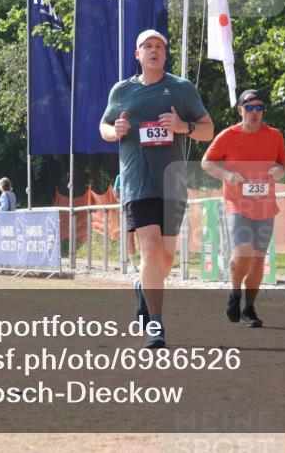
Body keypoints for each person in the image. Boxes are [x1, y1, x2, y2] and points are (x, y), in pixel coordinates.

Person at [100, 29, 213, 348]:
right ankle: (156, 325)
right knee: (149, 249)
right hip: (137, 182)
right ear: (137, 54)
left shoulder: (181, 89)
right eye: (147, 46)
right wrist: (115, 130)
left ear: (165, 54)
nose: (153, 50)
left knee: (165, 259)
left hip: (172, 184)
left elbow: (208, 130)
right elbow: (104, 126)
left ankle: (141, 287)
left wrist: (183, 127)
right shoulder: (122, 91)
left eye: (159, 46)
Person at [202, 89, 285, 328]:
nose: (255, 113)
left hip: (266, 206)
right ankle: (234, 292)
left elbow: (282, 165)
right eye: (250, 108)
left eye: (259, 108)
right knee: (243, 253)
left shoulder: (275, 136)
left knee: (258, 260)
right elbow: (206, 163)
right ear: (241, 110)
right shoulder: (228, 135)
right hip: (237, 205)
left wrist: (278, 172)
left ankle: (249, 308)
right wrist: (227, 174)